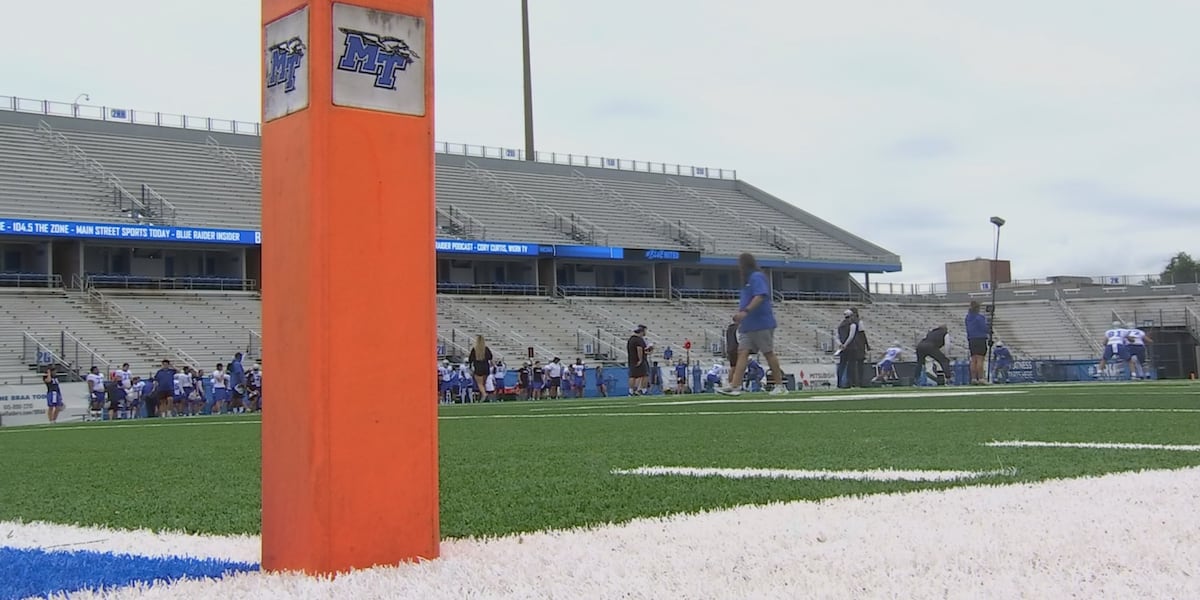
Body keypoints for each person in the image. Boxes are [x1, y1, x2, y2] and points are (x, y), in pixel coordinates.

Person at [719, 253, 785, 396]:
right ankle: (735, 385)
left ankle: (780, 385)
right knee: (742, 352)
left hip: (761, 323)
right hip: (748, 325)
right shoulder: (747, 280)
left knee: (768, 353)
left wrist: (745, 311)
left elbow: (760, 295)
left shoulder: (756, 277)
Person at [965, 301, 990, 385]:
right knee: (980, 359)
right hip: (980, 339)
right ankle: (981, 378)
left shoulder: (968, 317)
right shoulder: (980, 317)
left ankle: (973, 378)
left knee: (973, 359)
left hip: (971, 339)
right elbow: (984, 327)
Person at [627, 325, 649, 396]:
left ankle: (631, 391)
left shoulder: (631, 339)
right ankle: (643, 390)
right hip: (639, 360)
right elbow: (639, 349)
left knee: (633, 376)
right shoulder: (639, 339)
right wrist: (640, 359)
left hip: (631, 360)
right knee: (644, 375)